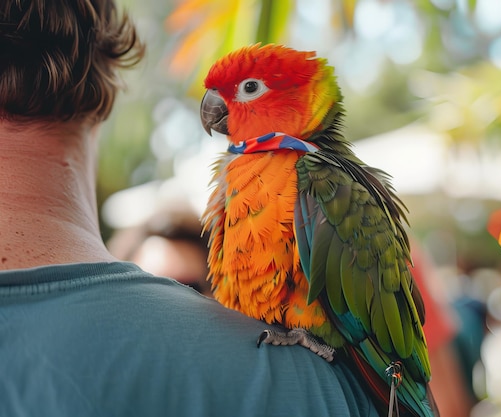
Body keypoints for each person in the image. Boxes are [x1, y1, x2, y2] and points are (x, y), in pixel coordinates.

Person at [0, 1, 379, 416]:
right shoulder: (304, 385)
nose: (215, 107)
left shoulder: (325, 184)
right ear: (102, 82)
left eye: (249, 89)